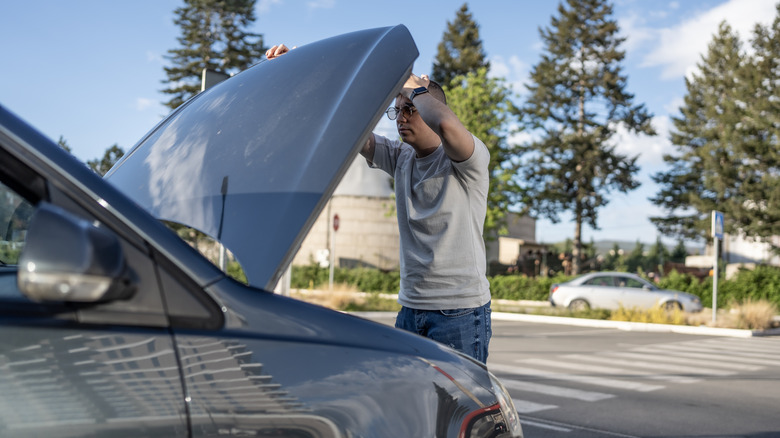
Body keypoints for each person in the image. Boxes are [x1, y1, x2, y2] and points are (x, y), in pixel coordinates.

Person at [266, 44, 492, 363]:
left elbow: (446, 125)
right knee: (410, 407)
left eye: (408, 109)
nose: (400, 117)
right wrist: (302, 72)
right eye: (396, 110)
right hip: (410, 310)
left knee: (460, 410)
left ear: (426, 104)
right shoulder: (401, 158)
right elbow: (346, 123)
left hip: (459, 313)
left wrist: (411, 84)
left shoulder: (467, 160)